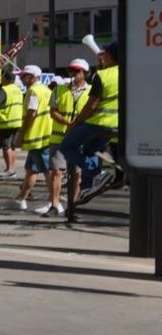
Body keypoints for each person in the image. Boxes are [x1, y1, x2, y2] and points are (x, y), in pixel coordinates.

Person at [60, 40, 120, 221]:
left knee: (67, 146)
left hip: (98, 122)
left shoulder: (103, 75)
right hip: (116, 125)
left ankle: (98, 175)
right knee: (89, 150)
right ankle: (89, 185)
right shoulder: (129, 72)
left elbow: (91, 104)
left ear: (109, 55)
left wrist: (76, 122)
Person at [43, 59, 92, 216]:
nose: (73, 74)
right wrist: (67, 122)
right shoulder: (59, 90)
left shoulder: (91, 91)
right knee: (56, 172)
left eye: (77, 71)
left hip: (80, 139)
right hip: (59, 138)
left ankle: (72, 205)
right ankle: (55, 205)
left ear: (85, 73)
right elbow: (53, 111)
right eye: (71, 71)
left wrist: (78, 125)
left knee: (77, 174)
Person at [8, 64, 55, 213]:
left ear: (34, 77)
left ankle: (53, 203)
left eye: (25, 76)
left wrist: (20, 134)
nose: (22, 78)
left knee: (47, 171)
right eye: (22, 76)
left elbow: (31, 114)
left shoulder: (33, 91)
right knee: (31, 170)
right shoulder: (46, 90)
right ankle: (21, 199)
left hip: (37, 136)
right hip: (44, 134)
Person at [0, 66, 24, 180]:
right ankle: (12, 169)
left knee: (6, 147)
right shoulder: (18, 89)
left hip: (5, 122)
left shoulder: (5, 89)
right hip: (16, 121)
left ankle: (9, 169)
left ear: (6, 80)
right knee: (12, 147)